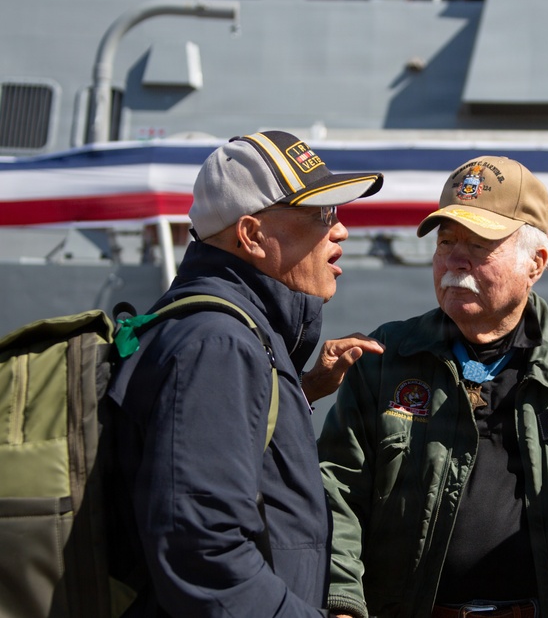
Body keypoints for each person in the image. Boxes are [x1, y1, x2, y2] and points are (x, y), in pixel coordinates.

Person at [317, 155, 548, 618]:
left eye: (479, 244)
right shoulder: (388, 358)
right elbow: (337, 489)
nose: (454, 261)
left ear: (537, 262)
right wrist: (342, 601)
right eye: (446, 241)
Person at [107, 130, 386, 617]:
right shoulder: (219, 342)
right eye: (321, 214)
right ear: (253, 236)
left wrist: (300, 392)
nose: (339, 231)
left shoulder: (234, 331)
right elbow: (202, 552)